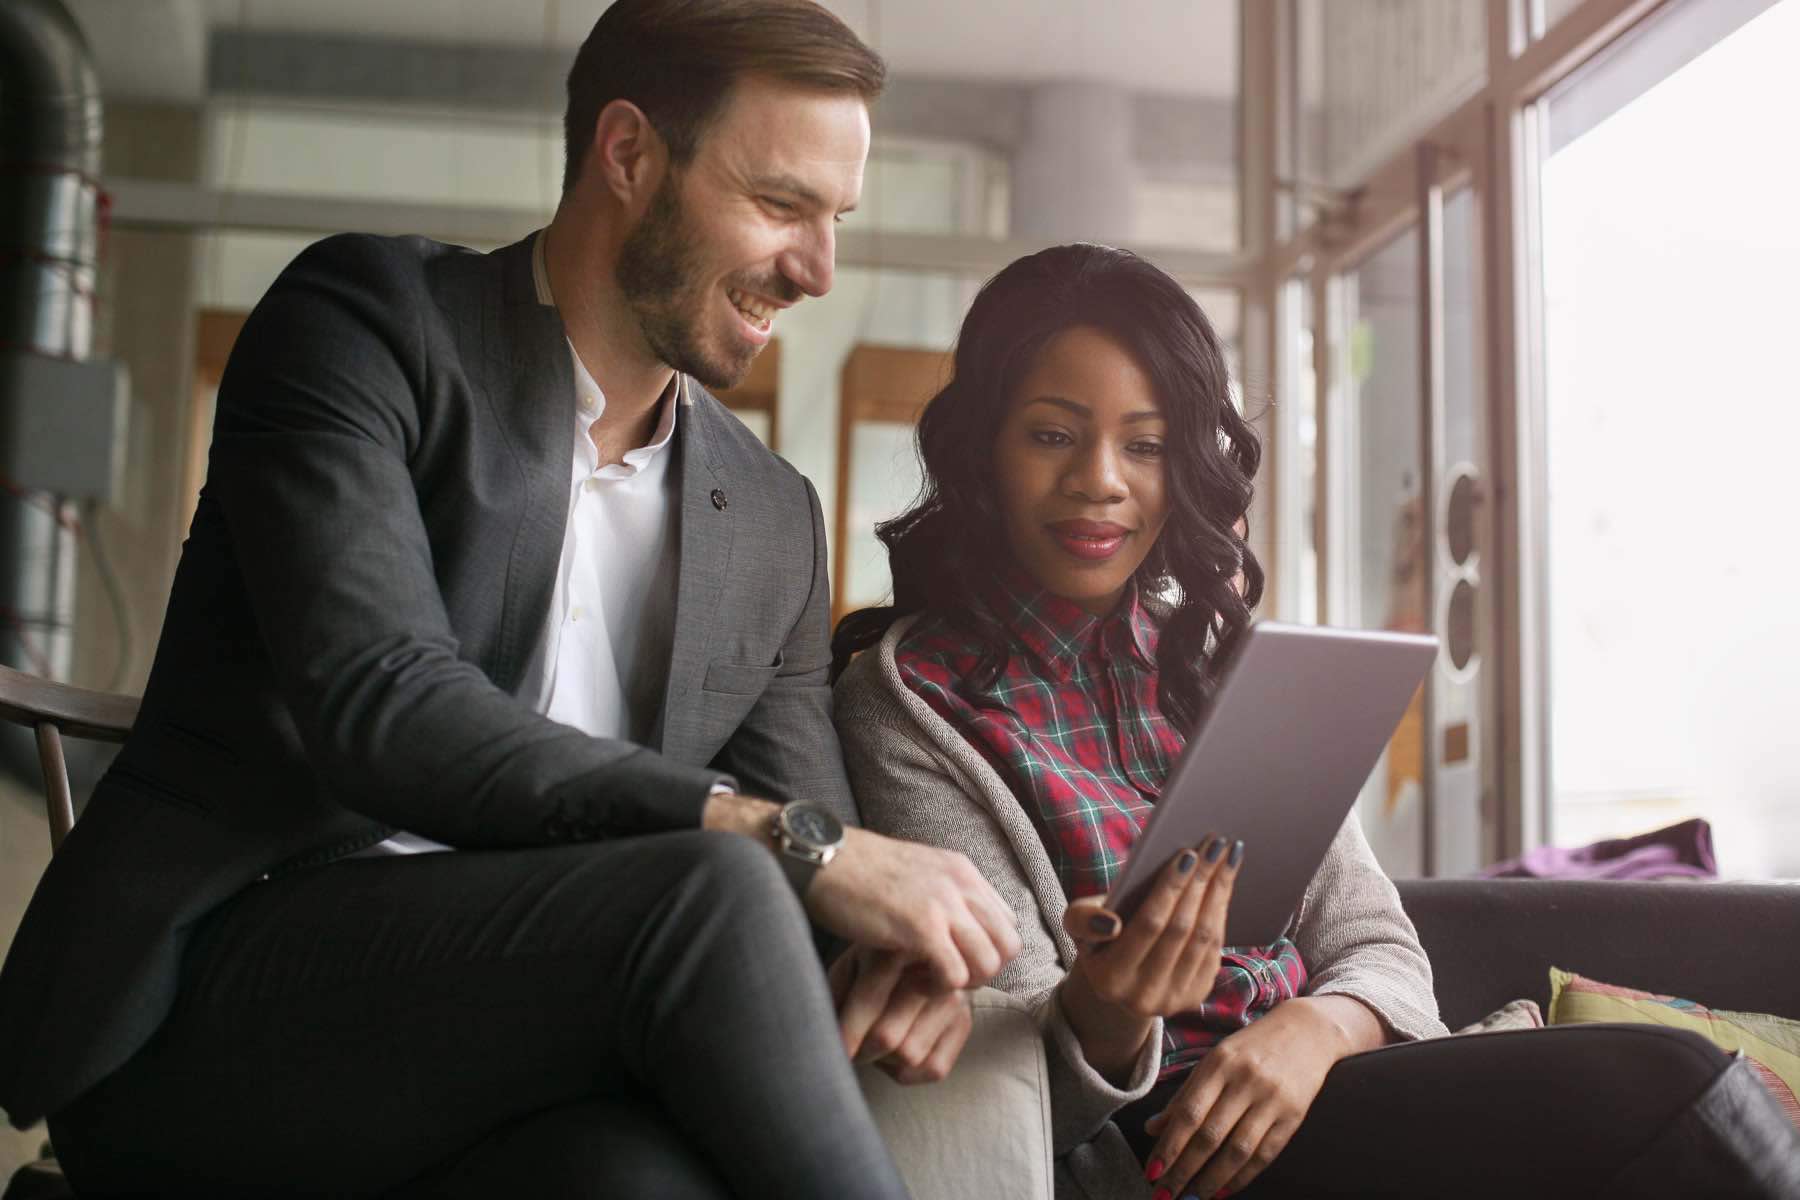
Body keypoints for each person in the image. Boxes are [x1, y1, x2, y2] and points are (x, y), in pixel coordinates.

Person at [0, 2, 1022, 1195]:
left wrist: (886, 958)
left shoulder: (774, 519)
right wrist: (766, 840)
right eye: (781, 205)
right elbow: (385, 705)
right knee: (716, 885)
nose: (816, 268)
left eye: (835, 220)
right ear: (628, 153)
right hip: (223, 1011)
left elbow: (816, 842)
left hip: (527, 1048)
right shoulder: (367, 325)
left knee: (640, 1184)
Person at [831, 244, 1446, 1200]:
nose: (1101, 481)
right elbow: (995, 1087)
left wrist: (1317, 1030)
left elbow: (1379, 944)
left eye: (1147, 445)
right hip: (1173, 1151)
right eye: (1051, 436)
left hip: (1334, 1083)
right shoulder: (909, 702)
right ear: (984, 449)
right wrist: (1107, 1010)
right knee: (1657, 1093)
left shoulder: (1218, 660)